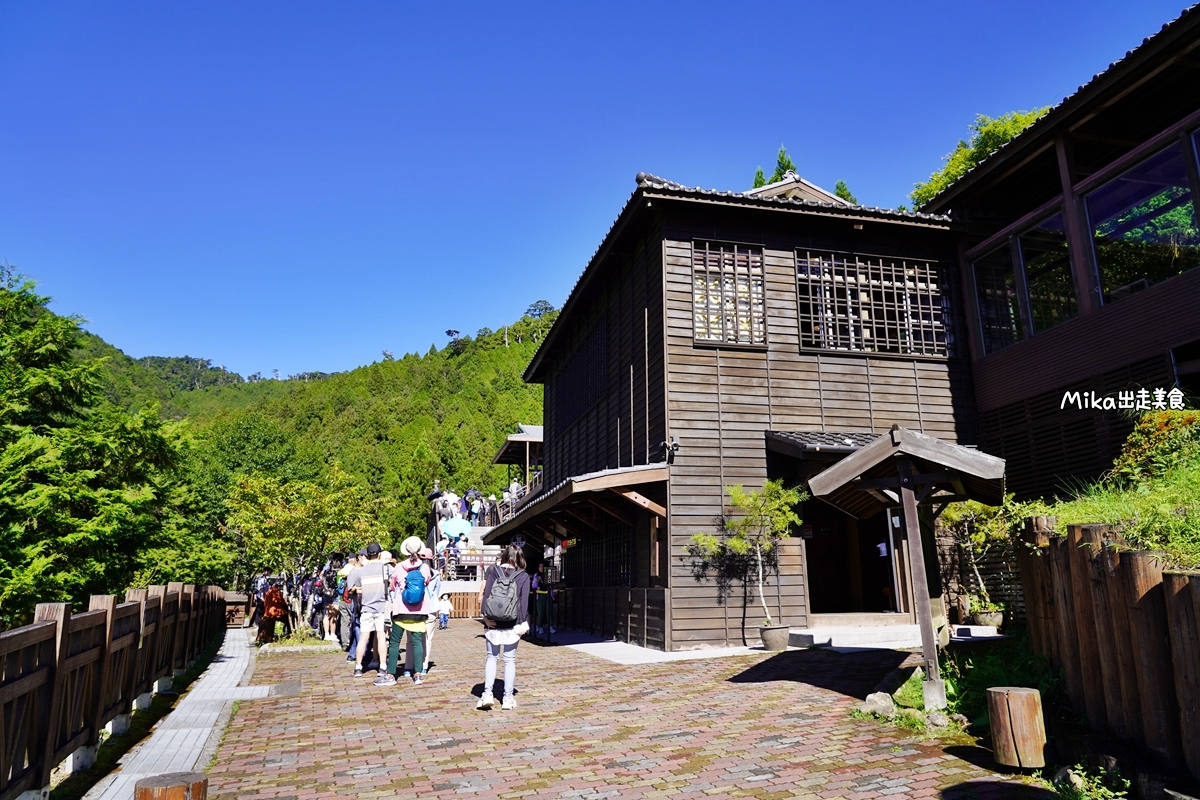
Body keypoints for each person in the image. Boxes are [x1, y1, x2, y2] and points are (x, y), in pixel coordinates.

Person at [476, 544, 530, 711]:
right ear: (520, 558)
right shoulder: (523, 576)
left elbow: (487, 596)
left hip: (493, 622)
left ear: (505, 556)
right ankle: (507, 698)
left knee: (492, 658)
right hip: (512, 623)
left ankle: (487, 693)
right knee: (509, 660)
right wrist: (522, 624)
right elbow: (523, 603)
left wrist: (485, 617)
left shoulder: (493, 571)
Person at [379, 537, 434, 687]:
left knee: (395, 642)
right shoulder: (425, 568)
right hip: (419, 610)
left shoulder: (398, 567)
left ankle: (390, 674)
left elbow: (392, 587)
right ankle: (417, 674)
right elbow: (427, 583)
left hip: (400, 610)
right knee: (417, 642)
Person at [350, 543, 391, 678]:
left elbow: (358, 588)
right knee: (381, 637)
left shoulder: (361, 571)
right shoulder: (386, 568)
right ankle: (383, 667)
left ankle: (358, 667)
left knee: (363, 638)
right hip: (381, 607)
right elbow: (392, 582)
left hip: (366, 607)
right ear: (379, 554)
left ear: (367, 555)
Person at [532, 563, 556, 637]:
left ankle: (551, 626)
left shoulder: (548, 574)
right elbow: (533, 585)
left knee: (549, 610)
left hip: (548, 594)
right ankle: (540, 626)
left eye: (543, 566)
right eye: (540, 566)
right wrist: (537, 581)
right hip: (540, 595)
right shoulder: (536, 575)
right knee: (541, 611)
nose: (541, 568)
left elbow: (553, 583)